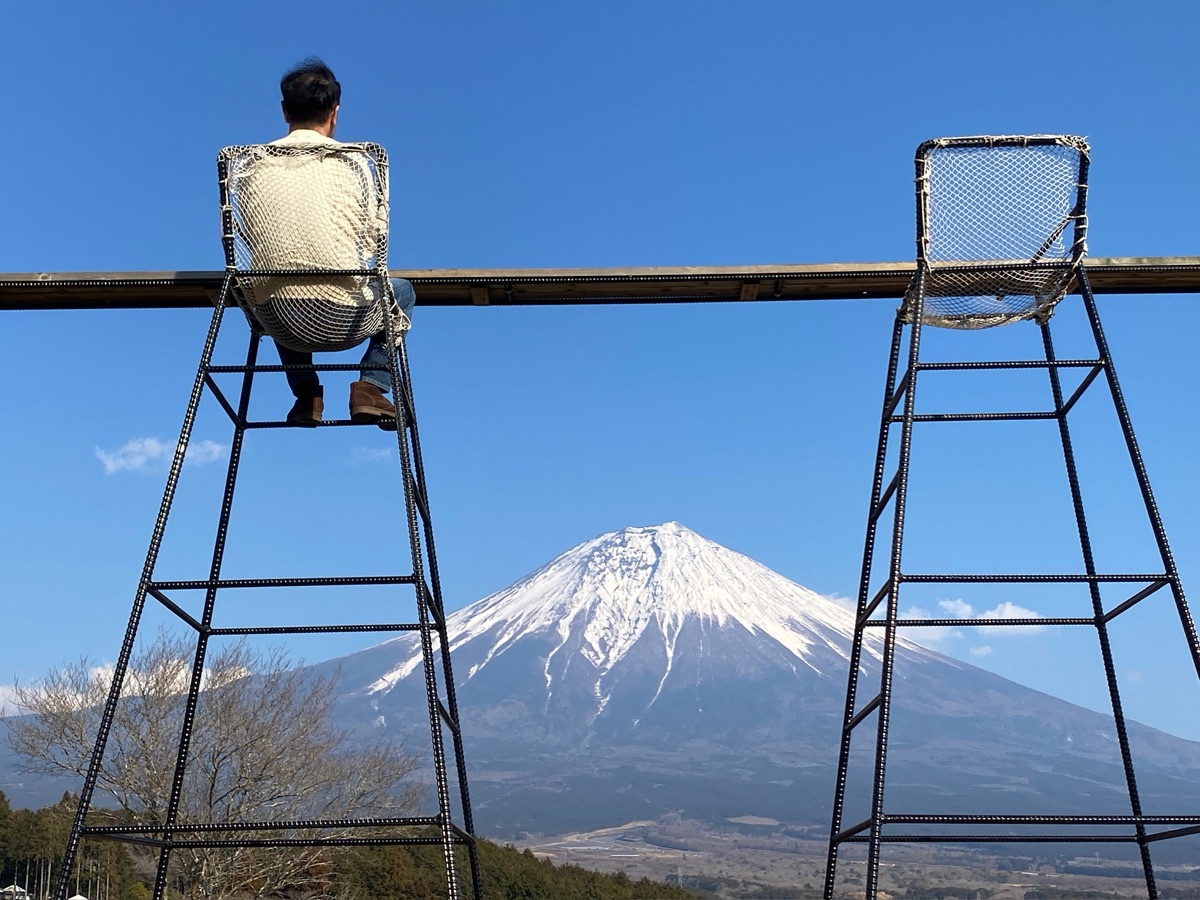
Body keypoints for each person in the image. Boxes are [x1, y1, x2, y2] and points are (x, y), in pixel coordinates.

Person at [239, 57, 414, 429]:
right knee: (403, 291)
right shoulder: (355, 163)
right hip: (342, 320)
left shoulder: (251, 164)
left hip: (278, 318)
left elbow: (249, 237)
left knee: (279, 283)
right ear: (335, 113)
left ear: (285, 111)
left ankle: (306, 394)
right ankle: (371, 386)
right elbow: (371, 242)